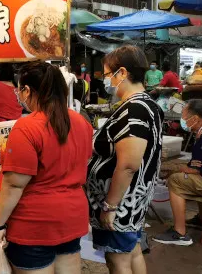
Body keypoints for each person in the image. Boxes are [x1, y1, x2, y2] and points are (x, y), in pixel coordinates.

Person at [0, 61, 93, 273]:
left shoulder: (27, 127)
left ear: (27, 90)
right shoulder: (81, 121)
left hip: (34, 225)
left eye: (19, 90)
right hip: (72, 217)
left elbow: (14, 185)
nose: (19, 95)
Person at [87, 46, 163, 274]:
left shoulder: (135, 109)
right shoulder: (147, 104)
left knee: (117, 260)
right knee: (133, 251)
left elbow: (129, 164)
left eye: (108, 74)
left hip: (121, 204)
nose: (107, 81)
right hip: (130, 202)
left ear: (122, 73)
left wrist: (110, 206)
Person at [153, 99, 202, 246]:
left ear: (195, 118)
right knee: (190, 178)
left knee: (177, 180)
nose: (182, 120)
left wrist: (176, 170)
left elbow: (195, 169)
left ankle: (180, 233)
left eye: (184, 116)